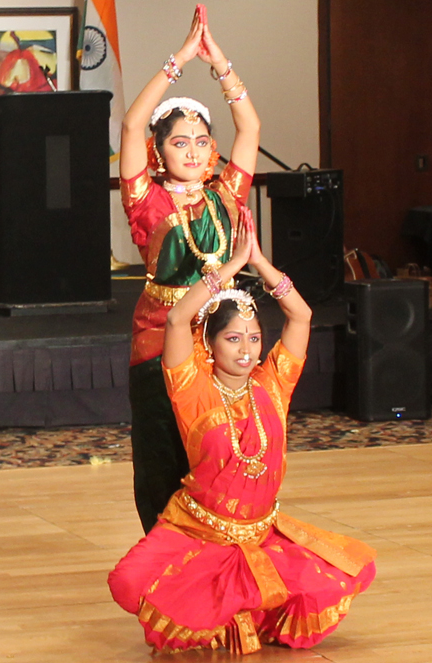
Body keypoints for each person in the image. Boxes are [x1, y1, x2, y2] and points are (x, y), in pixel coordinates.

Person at [108, 211, 377, 655]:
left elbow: (301, 316)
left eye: (254, 338)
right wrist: (229, 269)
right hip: (200, 532)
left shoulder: (273, 384)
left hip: (259, 533)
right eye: (233, 339)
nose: (247, 350)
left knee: (323, 580)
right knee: (130, 581)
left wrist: (261, 263)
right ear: (210, 345)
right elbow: (176, 321)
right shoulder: (191, 388)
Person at [120, 5, 260, 533]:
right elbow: (134, 122)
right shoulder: (145, 202)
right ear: (159, 152)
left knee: (219, 460)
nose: (195, 151)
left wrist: (218, 61)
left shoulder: (226, 195)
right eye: (180, 141)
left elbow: (251, 125)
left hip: (218, 344)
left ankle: (215, 568)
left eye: (202, 141)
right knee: (163, 463)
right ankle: (167, 573)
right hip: (158, 344)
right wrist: (180, 57)